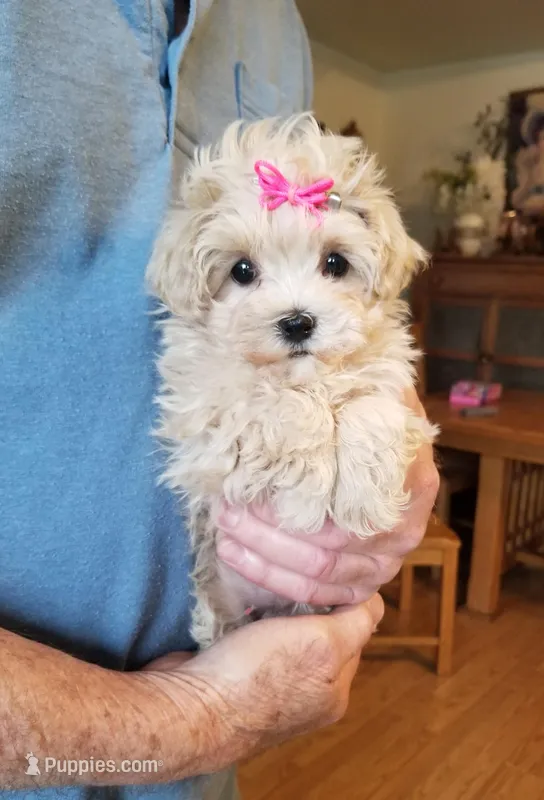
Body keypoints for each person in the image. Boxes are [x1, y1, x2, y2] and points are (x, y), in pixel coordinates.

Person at [0, 1, 438, 798]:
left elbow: (362, 308)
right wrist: (186, 715)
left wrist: (392, 412)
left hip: (212, 755)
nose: (294, 302)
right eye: (244, 271)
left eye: (332, 263)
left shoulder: (276, 21)